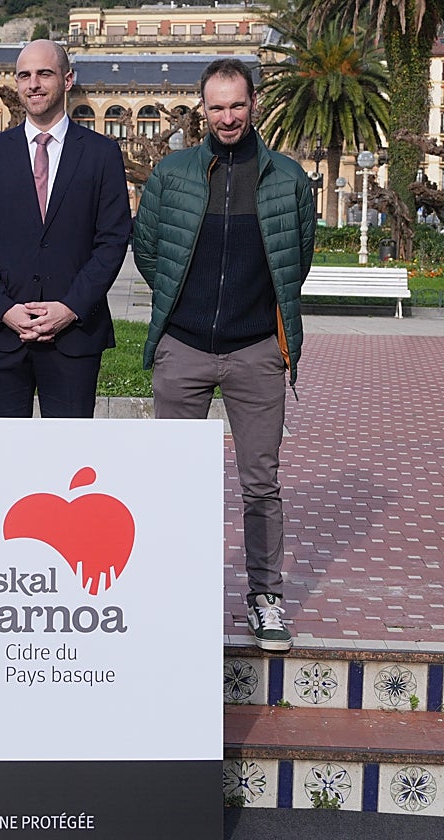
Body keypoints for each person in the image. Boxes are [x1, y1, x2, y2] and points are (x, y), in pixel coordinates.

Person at [133, 58, 316, 653]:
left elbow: (296, 259)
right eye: (216, 107)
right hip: (183, 348)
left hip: (257, 350)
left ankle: (266, 598)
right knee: (172, 481)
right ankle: (172, 592)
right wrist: (177, 317)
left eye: (237, 105)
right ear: (202, 109)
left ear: (253, 104)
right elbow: (150, 249)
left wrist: (261, 320)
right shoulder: (173, 174)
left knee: (260, 484)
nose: (228, 116)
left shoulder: (288, 179)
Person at [0, 39, 131, 418]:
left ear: (67, 80)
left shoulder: (102, 154)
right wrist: (4, 309)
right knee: (2, 461)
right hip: (0, 334)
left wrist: (70, 308)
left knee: (67, 463)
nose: (33, 84)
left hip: (74, 336)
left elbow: (113, 240)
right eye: (24, 75)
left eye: (44, 74)